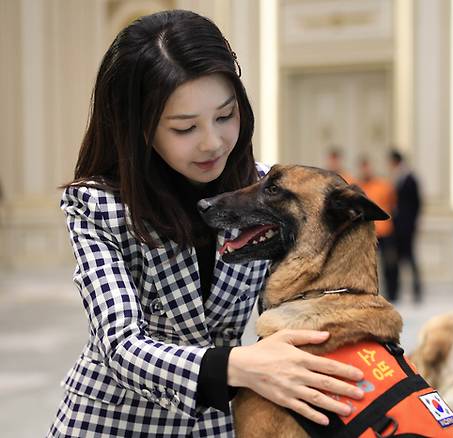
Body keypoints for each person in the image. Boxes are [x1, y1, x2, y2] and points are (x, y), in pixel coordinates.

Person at [48, 10, 364, 436]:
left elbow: (305, 303)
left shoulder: (267, 191)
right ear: (139, 128)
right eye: (184, 127)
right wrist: (236, 364)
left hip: (218, 426)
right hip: (113, 423)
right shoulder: (98, 203)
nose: (212, 142)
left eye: (224, 115)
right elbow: (119, 345)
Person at [356, 157, 398, 301]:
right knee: (367, 265)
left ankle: (393, 294)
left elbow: (393, 204)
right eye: (363, 167)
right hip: (366, 233)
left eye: (367, 167)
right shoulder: (357, 186)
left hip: (385, 231)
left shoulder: (384, 185)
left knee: (389, 263)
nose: (365, 170)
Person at [388, 149, 423, 303]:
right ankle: (395, 291)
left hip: (407, 227)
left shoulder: (410, 179)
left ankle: (417, 291)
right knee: (396, 260)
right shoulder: (395, 178)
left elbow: (417, 204)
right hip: (395, 227)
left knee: (410, 259)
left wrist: (412, 224)